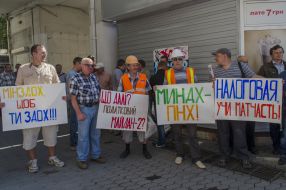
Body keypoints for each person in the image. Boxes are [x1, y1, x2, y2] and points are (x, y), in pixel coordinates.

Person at [15, 44, 65, 173]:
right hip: (30, 111)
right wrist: (7, 104)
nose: (44, 55)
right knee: (29, 136)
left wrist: (62, 97)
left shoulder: (50, 68)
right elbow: (16, 90)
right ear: (33, 54)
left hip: (48, 110)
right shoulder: (23, 69)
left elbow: (57, 86)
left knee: (51, 135)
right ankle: (33, 161)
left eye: (45, 52)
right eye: (42, 52)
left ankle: (52, 157)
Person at [212, 48, 260, 169]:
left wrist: (274, 82)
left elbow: (254, 77)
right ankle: (224, 156)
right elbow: (213, 88)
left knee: (239, 133)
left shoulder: (240, 66)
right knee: (223, 133)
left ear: (224, 56)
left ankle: (243, 157)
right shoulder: (215, 70)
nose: (215, 58)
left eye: (217, 56)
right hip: (222, 108)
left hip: (238, 108)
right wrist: (212, 84)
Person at [163, 49, 206, 169]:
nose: (177, 61)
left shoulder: (191, 72)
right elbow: (165, 90)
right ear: (172, 61)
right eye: (175, 59)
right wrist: (158, 90)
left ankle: (196, 158)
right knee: (176, 133)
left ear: (183, 60)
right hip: (175, 108)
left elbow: (197, 88)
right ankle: (179, 154)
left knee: (192, 134)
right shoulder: (168, 73)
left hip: (189, 108)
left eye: (179, 59)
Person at [70, 58, 105, 169]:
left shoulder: (93, 77)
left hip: (96, 108)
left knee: (96, 134)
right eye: (88, 65)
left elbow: (99, 92)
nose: (91, 67)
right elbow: (73, 99)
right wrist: (79, 113)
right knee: (83, 136)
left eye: (92, 65)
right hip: (84, 109)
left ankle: (95, 155)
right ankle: (82, 159)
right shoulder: (75, 78)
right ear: (82, 65)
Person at [118, 55, 152, 159]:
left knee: (142, 129)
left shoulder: (143, 77)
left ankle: (145, 149)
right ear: (127, 67)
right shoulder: (123, 78)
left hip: (141, 108)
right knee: (127, 129)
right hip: (128, 109)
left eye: (136, 65)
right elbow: (118, 94)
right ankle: (127, 149)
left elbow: (148, 90)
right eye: (133, 65)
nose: (135, 67)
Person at [257, 45, 286, 155]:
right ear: (271, 55)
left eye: (281, 52)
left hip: (285, 100)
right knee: (274, 126)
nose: (279, 55)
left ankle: (284, 147)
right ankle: (276, 147)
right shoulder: (264, 67)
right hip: (272, 101)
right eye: (276, 53)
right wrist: (274, 83)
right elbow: (258, 82)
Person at [149, 61, 168, 147]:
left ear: (158, 66)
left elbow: (150, 90)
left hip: (158, 102)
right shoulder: (169, 76)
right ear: (165, 67)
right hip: (169, 101)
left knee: (160, 123)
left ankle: (162, 141)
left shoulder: (153, 77)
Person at [66, 57, 82, 150]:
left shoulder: (75, 74)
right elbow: (72, 90)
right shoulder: (72, 74)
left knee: (76, 121)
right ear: (76, 63)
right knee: (74, 121)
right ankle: (74, 143)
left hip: (74, 100)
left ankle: (75, 141)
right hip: (73, 100)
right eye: (81, 63)